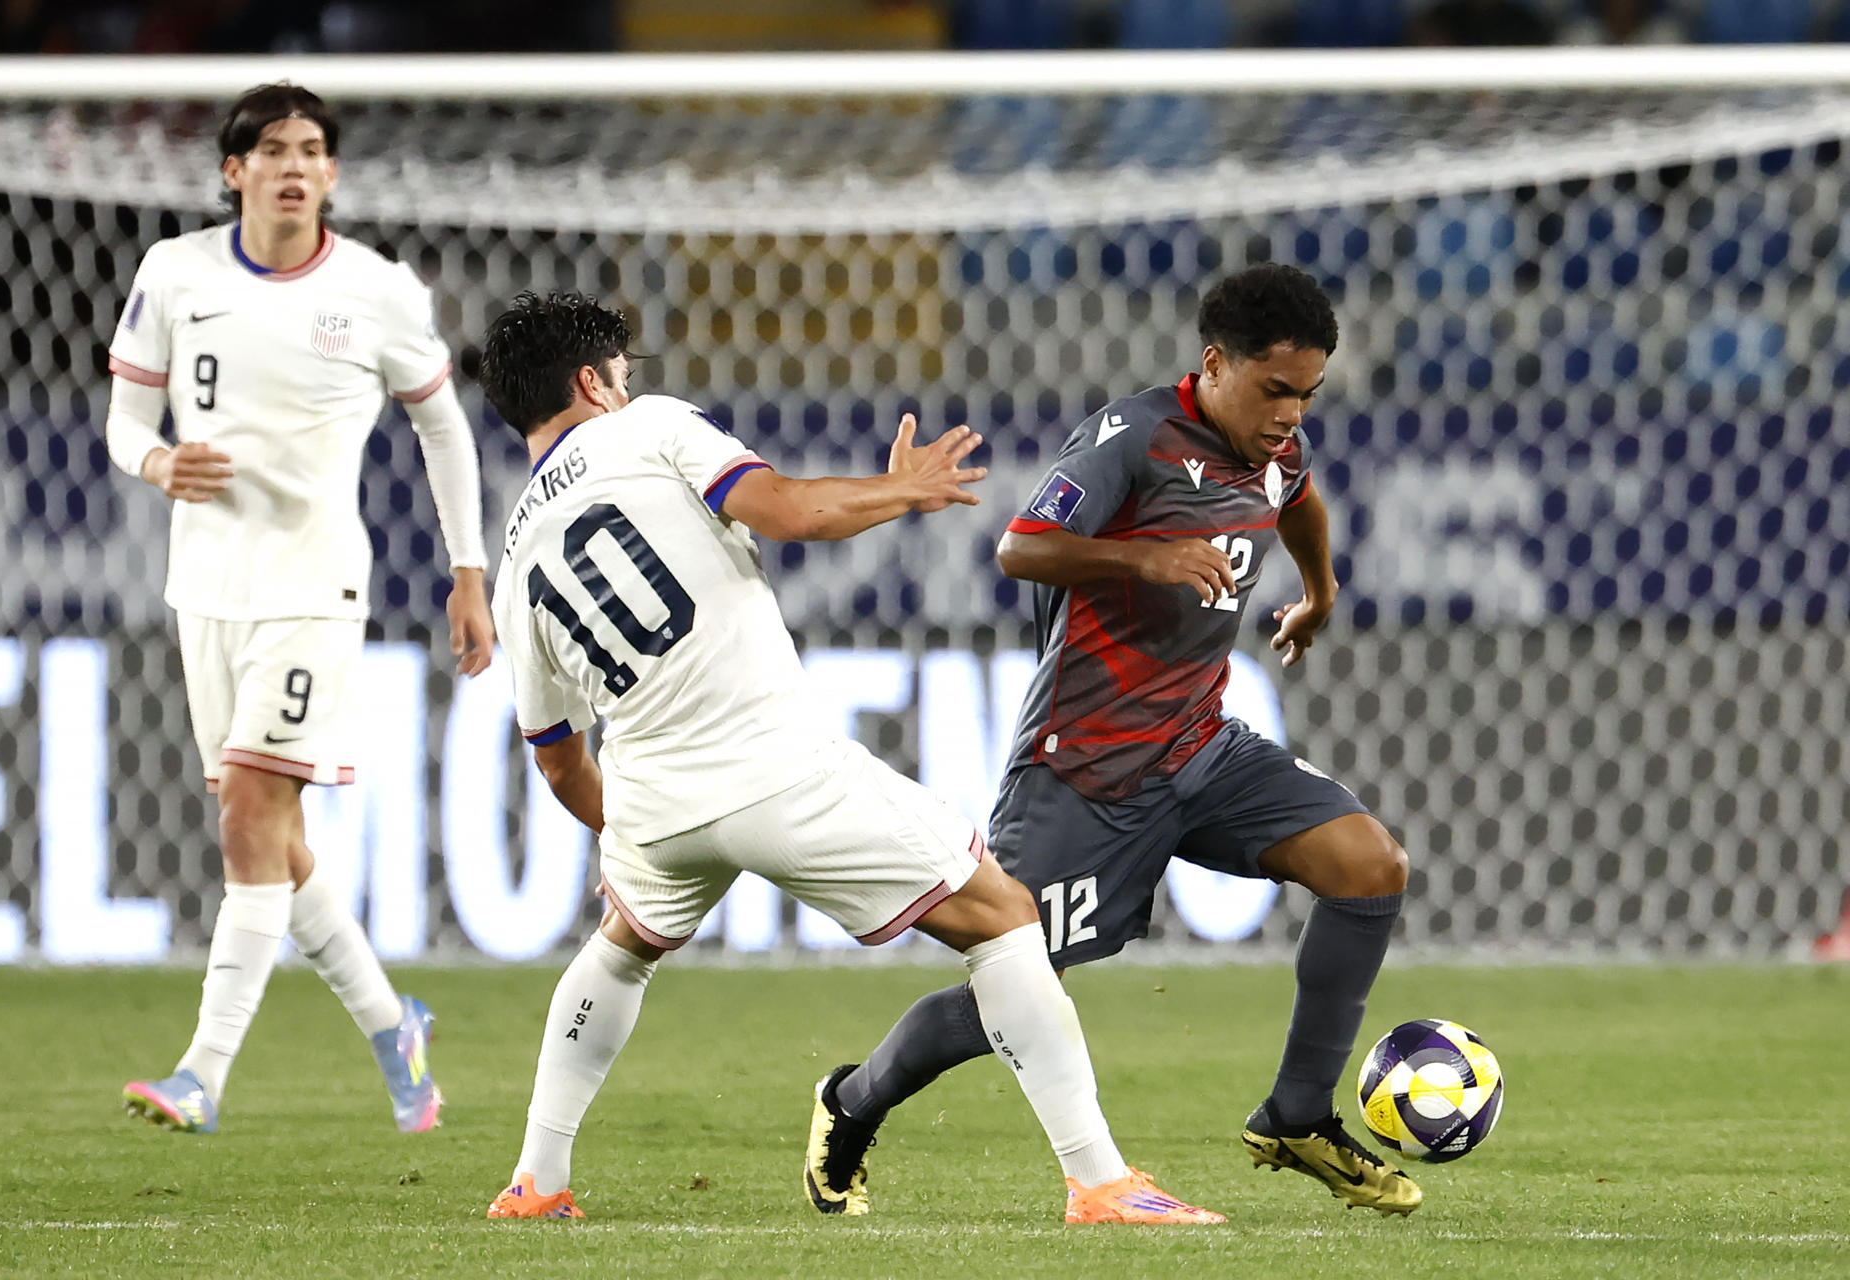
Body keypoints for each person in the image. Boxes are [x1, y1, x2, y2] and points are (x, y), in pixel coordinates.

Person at [474, 291, 1219, 1226]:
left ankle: (537, 1182)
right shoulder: (649, 427)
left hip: (651, 795)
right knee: (1001, 917)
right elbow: (786, 510)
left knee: (620, 949)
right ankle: (1101, 1181)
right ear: (592, 380)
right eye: (621, 372)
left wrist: (625, 835)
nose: (630, 386)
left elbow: (554, 758)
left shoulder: (514, 562)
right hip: (772, 763)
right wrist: (900, 491)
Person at [804, 263, 1423, 1217]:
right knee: (1006, 995)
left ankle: (1297, 1116)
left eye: (1308, 393)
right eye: (1274, 389)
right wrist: (1148, 553)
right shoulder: (1131, 438)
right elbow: (1020, 545)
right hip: (1085, 769)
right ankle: (851, 1102)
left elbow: (1298, 499)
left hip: (1202, 745)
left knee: (1369, 865)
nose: (1292, 413)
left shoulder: (1274, 448)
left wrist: (1321, 591)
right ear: (1214, 365)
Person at [105, 83, 494, 1135]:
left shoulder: (375, 290)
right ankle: (391, 1021)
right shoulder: (172, 273)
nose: (291, 163)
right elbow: (122, 418)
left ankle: (202, 1072)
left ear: (330, 173)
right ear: (232, 171)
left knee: (248, 820)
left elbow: (445, 429)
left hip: (315, 588)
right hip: (205, 588)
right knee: (275, 841)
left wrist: (470, 571)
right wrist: (154, 457)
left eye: (310, 148)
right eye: (270, 147)